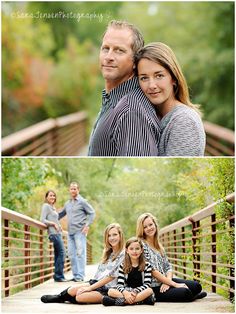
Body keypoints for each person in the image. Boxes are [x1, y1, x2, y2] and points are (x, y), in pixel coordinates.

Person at [88, 20, 160, 156]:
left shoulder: (131, 111)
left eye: (119, 50)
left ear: (135, 61)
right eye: (105, 48)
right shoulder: (114, 100)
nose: (109, 57)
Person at [135, 42, 206, 156]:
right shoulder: (152, 115)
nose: (151, 85)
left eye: (159, 76)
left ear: (173, 78)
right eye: (144, 78)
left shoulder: (184, 121)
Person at [41, 223, 125, 304]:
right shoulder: (107, 253)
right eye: (109, 235)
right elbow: (99, 274)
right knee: (72, 290)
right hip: (97, 283)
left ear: (120, 236)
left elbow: (110, 277)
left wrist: (90, 288)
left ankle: (109, 299)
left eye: (115, 234)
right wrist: (89, 285)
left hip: (110, 289)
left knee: (80, 297)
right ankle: (59, 297)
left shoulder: (123, 254)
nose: (112, 238)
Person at [136, 213, 207, 302]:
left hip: (165, 281)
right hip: (154, 287)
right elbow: (152, 271)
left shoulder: (158, 245)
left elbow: (168, 266)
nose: (149, 228)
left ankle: (190, 295)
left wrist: (168, 281)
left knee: (197, 286)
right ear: (141, 230)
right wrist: (174, 284)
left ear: (155, 224)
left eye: (150, 224)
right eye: (145, 227)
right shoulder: (141, 245)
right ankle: (190, 296)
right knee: (185, 292)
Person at [58, 182, 95, 282]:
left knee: (80, 253)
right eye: (71, 189)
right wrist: (50, 218)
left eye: (75, 189)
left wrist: (87, 225)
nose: (73, 190)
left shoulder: (82, 202)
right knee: (71, 254)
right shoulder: (67, 203)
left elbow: (92, 213)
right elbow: (60, 214)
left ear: (78, 190)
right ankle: (75, 275)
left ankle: (80, 276)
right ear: (69, 190)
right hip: (70, 233)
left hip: (80, 231)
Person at [102, 237, 155, 306]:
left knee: (149, 291)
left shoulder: (147, 265)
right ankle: (140, 300)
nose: (134, 251)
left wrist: (136, 291)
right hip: (127, 291)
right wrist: (125, 292)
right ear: (127, 250)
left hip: (140, 291)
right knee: (110, 291)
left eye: (137, 248)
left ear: (141, 250)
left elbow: (147, 284)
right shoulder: (123, 265)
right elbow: (119, 285)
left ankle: (119, 302)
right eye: (131, 249)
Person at [40, 190, 66, 282]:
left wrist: (58, 225)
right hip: (53, 234)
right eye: (50, 195)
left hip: (57, 233)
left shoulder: (52, 207)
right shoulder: (46, 206)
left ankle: (57, 276)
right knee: (62, 253)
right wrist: (53, 224)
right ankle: (59, 276)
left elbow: (55, 219)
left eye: (54, 196)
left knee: (58, 254)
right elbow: (42, 220)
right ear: (46, 197)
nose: (52, 197)